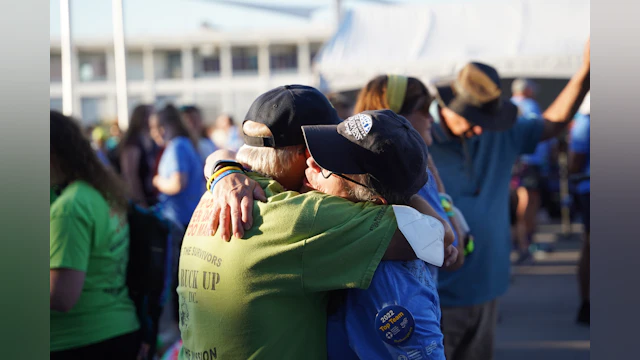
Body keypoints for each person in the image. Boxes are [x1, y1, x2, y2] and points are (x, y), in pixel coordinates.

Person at [176, 85, 454, 360]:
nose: (315, 162)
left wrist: (221, 165)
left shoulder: (216, 195)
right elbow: (435, 236)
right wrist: (396, 192)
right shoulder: (302, 217)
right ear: (302, 154)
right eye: (319, 151)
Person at [426, 39, 590, 360]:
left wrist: (585, 72)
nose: (479, 129)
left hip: (487, 288)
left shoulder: (497, 131)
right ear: (447, 105)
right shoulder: (417, 136)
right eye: (471, 118)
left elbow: (553, 123)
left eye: (485, 120)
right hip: (433, 296)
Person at [310, 111, 453, 360]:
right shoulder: (396, 230)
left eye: (327, 168)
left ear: (374, 199)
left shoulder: (390, 285)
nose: (312, 164)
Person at [352, 74, 468, 275]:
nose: (431, 118)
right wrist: (441, 193)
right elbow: (455, 253)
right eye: (424, 110)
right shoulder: (414, 173)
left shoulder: (352, 165)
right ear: (397, 117)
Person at [50, 111, 140, 359]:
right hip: (117, 329)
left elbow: (61, 296)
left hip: (80, 340)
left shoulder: (70, 207)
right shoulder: (99, 191)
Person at [510, 78, 556, 262]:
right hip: (528, 164)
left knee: (526, 202)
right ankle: (525, 243)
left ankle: (524, 241)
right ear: (527, 90)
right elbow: (542, 131)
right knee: (528, 202)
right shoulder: (529, 105)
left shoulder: (509, 106)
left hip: (520, 163)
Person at [151, 104, 206, 229]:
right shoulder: (185, 143)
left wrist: (158, 181)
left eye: (157, 127)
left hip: (179, 220)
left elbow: (178, 184)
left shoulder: (178, 147)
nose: (154, 133)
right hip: (185, 217)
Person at [568, 92, 590, 326]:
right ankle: (586, 303)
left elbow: (575, 163)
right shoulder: (586, 122)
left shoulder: (585, 122)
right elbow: (575, 163)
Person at [118, 104, 160, 207]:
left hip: (153, 198)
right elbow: (130, 175)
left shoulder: (152, 140)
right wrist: (140, 202)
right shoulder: (133, 142)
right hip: (139, 201)